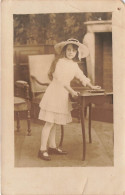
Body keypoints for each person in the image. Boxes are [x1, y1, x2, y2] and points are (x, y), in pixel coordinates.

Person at [38, 38, 101, 161]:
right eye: (68, 50)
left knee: (55, 122)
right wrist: (72, 91)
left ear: (77, 52)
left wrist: (91, 86)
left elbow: (81, 76)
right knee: (49, 122)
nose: (70, 52)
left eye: (73, 51)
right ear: (65, 51)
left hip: (62, 95)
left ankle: (52, 146)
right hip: (54, 93)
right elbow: (61, 80)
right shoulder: (60, 62)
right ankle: (42, 149)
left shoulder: (74, 65)